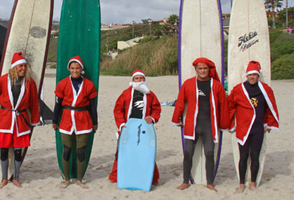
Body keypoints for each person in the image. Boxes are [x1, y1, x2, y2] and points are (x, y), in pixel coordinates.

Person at [172, 57, 229, 192]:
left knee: (210, 153)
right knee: (188, 153)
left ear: (209, 70)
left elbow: (223, 106)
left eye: (205, 68)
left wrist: (224, 124)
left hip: (210, 126)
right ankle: (185, 181)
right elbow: (180, 102)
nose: (203, 71)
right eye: (200, 68)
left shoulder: (216, 85)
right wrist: (177, 119)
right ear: (196, 69)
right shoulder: (188, 84)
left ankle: (210, 183)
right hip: (192, 125)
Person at [0, 52, 39, 189]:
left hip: (21, 121)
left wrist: (35, 119)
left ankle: (16, 178)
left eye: (25, 66)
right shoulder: (3, 80)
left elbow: (34, 103)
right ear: (14, 67)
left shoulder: (30, 82)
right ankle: (4, 178)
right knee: (3, 150)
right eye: (21, 66)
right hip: (6, 119)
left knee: (17, 151)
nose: (23, 68)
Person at [228, 61, 279, 193]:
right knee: (243, 156)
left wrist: (268, 123)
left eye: (254, 75)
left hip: (258, 129)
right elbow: (230, 106)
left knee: (255, 156)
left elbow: (270, 107)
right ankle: (241, 184)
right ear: (247, 75)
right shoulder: (239, 89)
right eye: (250, 74)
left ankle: (253, 182)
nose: (252, 77)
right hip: (243, 129)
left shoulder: (265, 90)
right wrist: (231, 124)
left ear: (258, 76)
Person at [52, 56, 98, 189]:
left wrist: (95, 122)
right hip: (66, 119)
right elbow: (58, 104)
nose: (75, 70)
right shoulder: (62, 83)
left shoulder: (89, 84)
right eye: (72, 68)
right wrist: (55, 120)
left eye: (77, 68)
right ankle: (67, 179)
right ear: (69, 69)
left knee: (81, 151)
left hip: (83, 119)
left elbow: (93, 106)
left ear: (81, 69)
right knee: (66, 150)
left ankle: (79, 180)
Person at [109, 70, 161, 186]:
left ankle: (151, 178)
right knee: (123, 152)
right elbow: (118, 109)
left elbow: (157, 109)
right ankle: (117, 175)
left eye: (141, 78)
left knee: (146, 153)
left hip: (144, 129)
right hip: (128, 128)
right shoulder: (126, 93)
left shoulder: (150, 94)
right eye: (136, 78)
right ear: (133, 80)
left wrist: (152, 118)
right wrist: (122, 124)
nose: (139, 81)